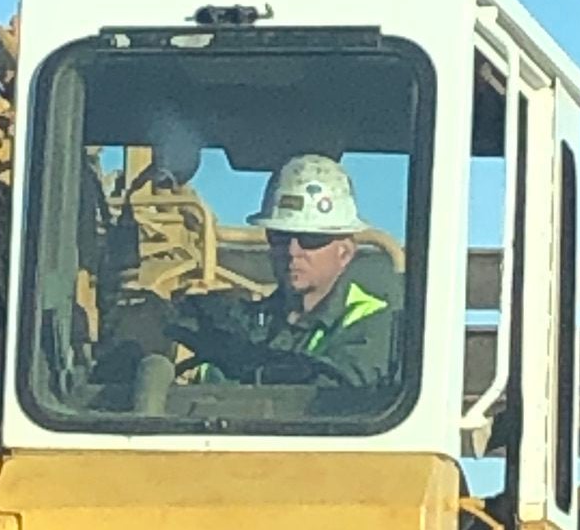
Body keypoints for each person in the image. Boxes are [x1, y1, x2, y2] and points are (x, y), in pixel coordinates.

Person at [155, 152, 406, 397]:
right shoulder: (248, 322)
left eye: (310, 239)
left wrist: (244, 361)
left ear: (345, 252)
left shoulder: (377, 321)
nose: (293, 251)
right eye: (279, 237)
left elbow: (335, 392)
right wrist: (166, 315)